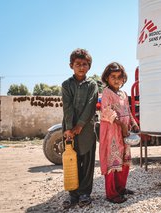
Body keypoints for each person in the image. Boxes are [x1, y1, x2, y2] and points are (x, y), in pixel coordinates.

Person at [61, 48, 98, 209]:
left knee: (88, 162)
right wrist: (70, 128)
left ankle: (84, 193)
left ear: (89, 66)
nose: (81, 67)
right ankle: (72, 194)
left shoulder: (93, 85)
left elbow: (91, 106)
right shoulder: (66, 85)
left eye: (84, 64)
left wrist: (80, 125)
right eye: (78, 64)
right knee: (72, 160)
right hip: (69, 130)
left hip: (87, 129)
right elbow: (67, 108)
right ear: (71, 66)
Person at [99, 62, 139, 204]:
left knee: (123, 162)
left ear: (123, 79)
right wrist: (121, 125)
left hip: (124, 132)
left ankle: (121, 188)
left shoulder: (123, 94)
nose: (116, 80)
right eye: (113, 77)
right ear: (107, 78)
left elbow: (128, 111)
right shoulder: (106, 93)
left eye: (119, 77)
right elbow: (107, 111)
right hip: (112, 132)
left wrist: (133, 124)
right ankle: (111, 193)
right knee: (112, 161)